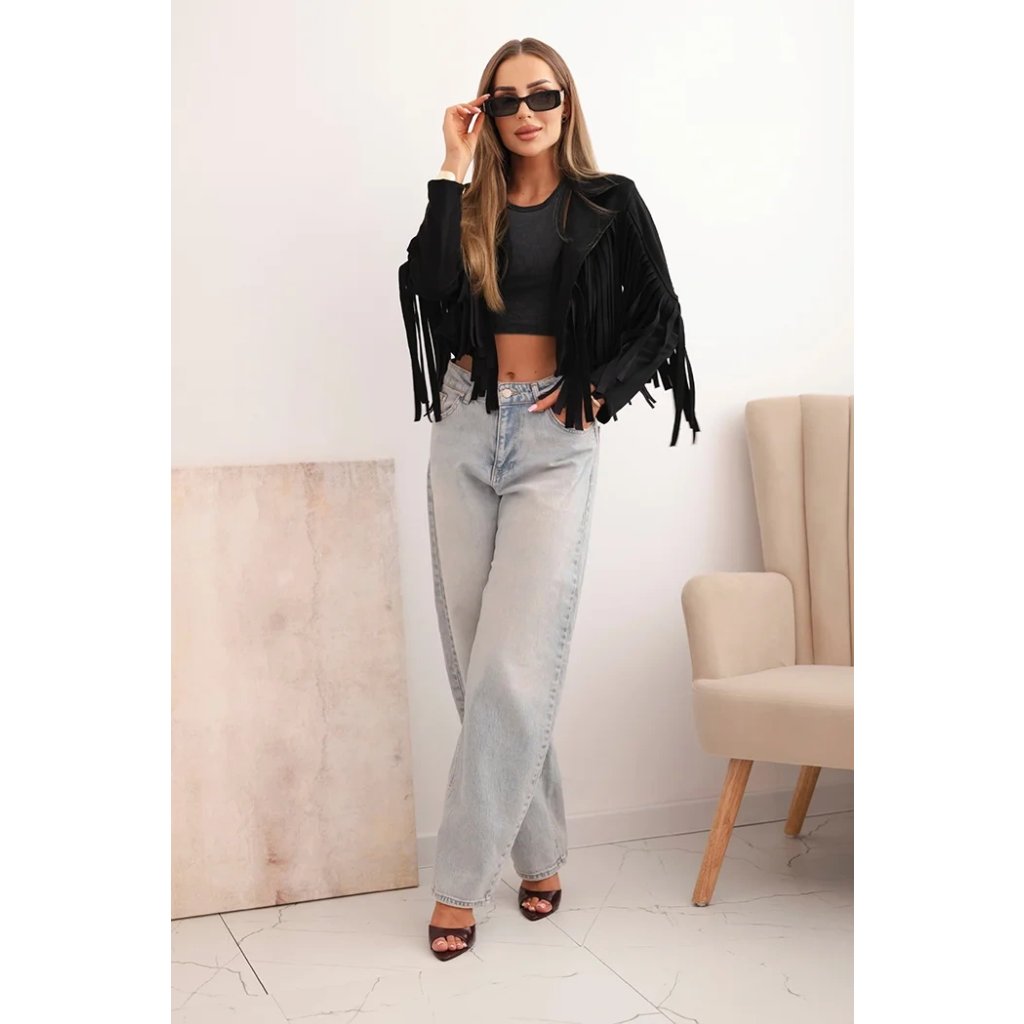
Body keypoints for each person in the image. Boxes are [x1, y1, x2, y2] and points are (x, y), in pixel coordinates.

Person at [398, 38, 699, 962]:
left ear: (567, 102)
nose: (526, 112)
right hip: (463, 424)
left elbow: (661, 316)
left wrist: (599, 392)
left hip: (553, 437)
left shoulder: (610, 202)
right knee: (478, 657)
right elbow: (430, 288)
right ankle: (540, 855)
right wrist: (450, 169)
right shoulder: (468, 203)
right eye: (505, 100)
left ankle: (458, 883)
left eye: (542, 95)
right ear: (485, 113)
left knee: (512, 664)